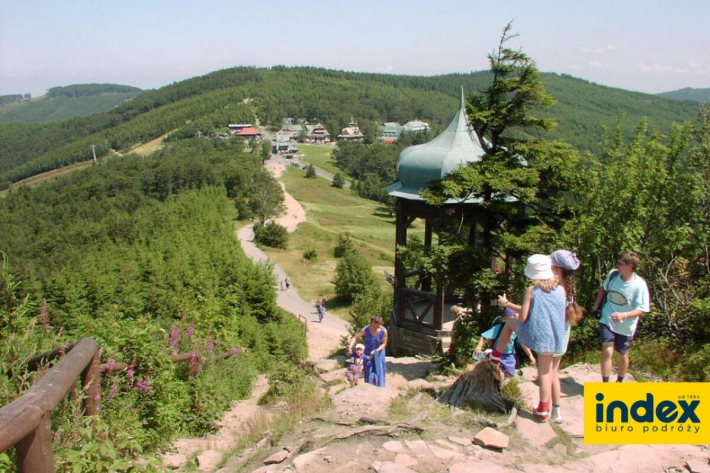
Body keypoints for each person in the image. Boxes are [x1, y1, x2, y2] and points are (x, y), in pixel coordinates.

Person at [487, 254, 566, 421]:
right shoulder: (560, 290)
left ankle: (495, 356)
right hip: (555, 337)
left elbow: (522, 317)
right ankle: (543, 410)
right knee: (545, 373)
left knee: (509, 323)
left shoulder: (532, 291)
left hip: (536, 335)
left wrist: (506, 304)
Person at [592, 251, 650, 383]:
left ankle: (620, 381)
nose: (617, 265)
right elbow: (604, 288)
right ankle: (605, 383)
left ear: (629, 266)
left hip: (626, 326)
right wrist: (596, 306)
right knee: (607, 350)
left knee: (623, 355)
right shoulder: (613, 275)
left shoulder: (639, 285)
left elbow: (642, 309)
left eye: (620, 263)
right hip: (608, 319)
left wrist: (624, 315)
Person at [473, 307, 536, 377]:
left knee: (510, 375)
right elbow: (484, 336)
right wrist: (479, 346)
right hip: (497, 354)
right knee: (495, 374)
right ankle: (486, 354)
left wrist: (530, 355)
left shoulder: (515, 330)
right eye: (510, 319)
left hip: (510, 356)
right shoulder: (499, 328)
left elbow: (522, 343)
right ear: (504, 318)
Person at [347, 315, 388, 387]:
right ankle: (369, 387)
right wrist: (350, 347)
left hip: (379, 354)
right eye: (373, 325)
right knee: (369, 370)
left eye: (377, 326)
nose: (374, 327)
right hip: (368, 353)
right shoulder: (366, 329)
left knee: (379, 371)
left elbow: (384, 344)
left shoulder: (383, 331)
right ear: (371, 323)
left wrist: (376, 350)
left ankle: (380, 387)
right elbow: (355, 338)